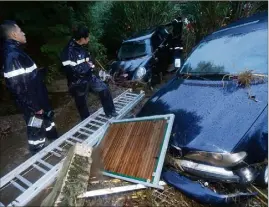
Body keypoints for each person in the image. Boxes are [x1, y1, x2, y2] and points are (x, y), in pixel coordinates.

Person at [0, 20, 58, 154]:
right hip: (34, 106)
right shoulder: (12, 56)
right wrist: (35, 108)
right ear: (14, 34)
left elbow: (27, 79)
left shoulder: (17, 52)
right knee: (36, 132)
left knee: (49, 123)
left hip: (39, 101)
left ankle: (55, 143)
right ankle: (38, 157)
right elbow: (18, 88)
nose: (24, 33)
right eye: (20, 31)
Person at [60, 25, 118, 120]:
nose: (89, 38)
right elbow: (72, 71)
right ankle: (86, 121)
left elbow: (88, 61)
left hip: (89, 76)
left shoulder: (82, 47)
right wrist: (88, 67)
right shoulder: (68, 52)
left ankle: (111, 112)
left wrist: (93, 67)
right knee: (81, 103)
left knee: (104, 89)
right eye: (88, 36)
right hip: (77, 82)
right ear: (82, 38)